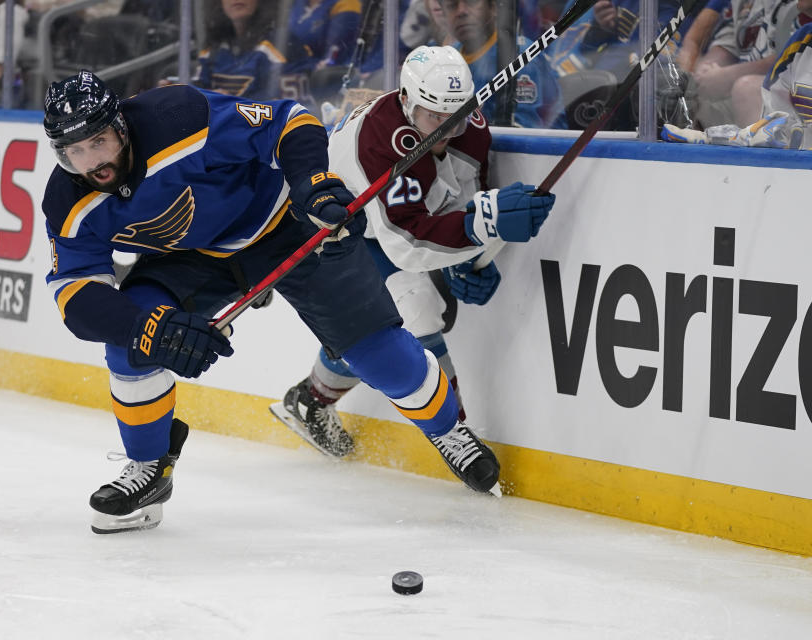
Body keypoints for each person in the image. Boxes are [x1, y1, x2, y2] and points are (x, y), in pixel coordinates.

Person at [42, 70, 554, 531]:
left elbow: (289, 120)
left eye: (99, 142)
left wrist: (312, 185)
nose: (92, 163)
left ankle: (448, 432)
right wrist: (149, 329)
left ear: (122, 128)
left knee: (381, 353)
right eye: (74, 152)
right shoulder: (69, 201)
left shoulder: (178, 116)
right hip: (190, 258)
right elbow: (76, 296)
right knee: (130, 344)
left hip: (286, 226)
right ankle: (150, 468)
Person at [271, 46, 554, 461]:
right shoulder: (380, 142)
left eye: (453, 118)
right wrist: (477, 231)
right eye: (432, 118)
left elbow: (463, 194)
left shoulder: (467, 124)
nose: (444, 130)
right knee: (413, 310)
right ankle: (454, 433)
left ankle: (309, 399)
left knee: (407, 315)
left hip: (385, 226)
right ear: (406, 100)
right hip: (331, 230)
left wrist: (469, 254)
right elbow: (406, 245)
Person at [662, 18, 812, 148]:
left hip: (801, 172)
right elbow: (773, 128)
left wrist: (728, 75)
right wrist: (717, 137)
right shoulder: (801, 39)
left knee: (747, 89)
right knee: (671, 101)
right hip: (790, 169)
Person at [444, 0, 566, 128]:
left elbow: (522, 137)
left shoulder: (522, 57)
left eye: (471, 2)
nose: (461, 11)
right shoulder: (446, 59)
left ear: (493, 7)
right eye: (452, 5)